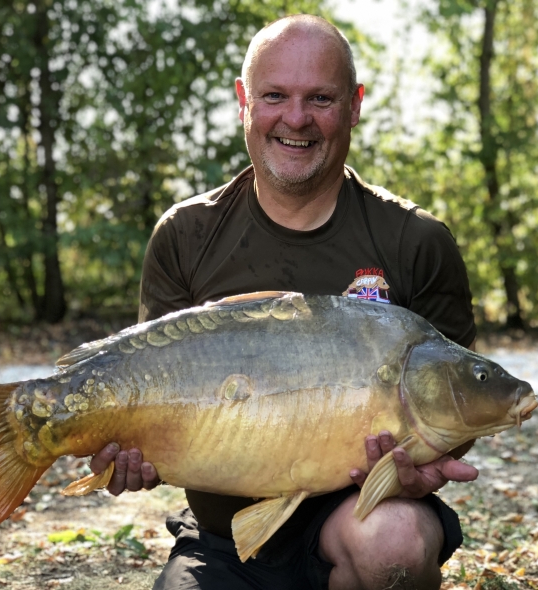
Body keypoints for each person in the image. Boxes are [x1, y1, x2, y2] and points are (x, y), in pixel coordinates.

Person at [91, 14, 479, 590]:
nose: (296, 119)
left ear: (354, 105)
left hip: (357, 515)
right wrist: (126, 451)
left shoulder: (415, 240)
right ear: (244, 101)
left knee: (393, 544)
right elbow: (147, 401)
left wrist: (421, 472)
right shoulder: (186, 234)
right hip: (225, 536)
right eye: (275, 96)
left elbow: (454, 401)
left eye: (320, 98)